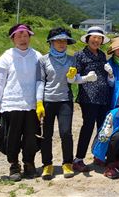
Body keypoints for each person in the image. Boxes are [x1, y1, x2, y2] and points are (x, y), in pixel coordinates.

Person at [0, 24, 42, 181]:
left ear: (30, 37)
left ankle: (29, 163)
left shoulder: (37, 56)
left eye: (25, 35)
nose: (22, 39)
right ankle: (14, 165)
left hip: (31, 104)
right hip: (11, 102)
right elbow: (0, 82)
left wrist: (40, 101)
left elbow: (40, 81)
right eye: (18, 36)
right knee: (11, 137)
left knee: (31, 136)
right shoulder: (6, 56)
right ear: (13, 39)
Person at [36, 27, 78, 179]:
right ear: (51, 42)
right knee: (46, 134)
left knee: (65, 132)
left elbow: (73, 80)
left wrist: (73, 77)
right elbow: (40, 81)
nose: (61, 43)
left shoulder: (72, 59)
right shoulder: (43, 60)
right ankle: (47, 165)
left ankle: (68, 163)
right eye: (58, 40)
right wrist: (39, 102)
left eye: (64, 40)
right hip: (48, 101)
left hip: (65, 100)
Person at [73, 26, 111, 172]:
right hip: (88, 97)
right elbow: (74, 77)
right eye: (94, 38)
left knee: (102, 127)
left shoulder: (102, 55)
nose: (96, 40)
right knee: (88, 127)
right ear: (88, 39)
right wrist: (85, 78)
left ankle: (98, 155)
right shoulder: (80, 55)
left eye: (99, 38)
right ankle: (79, 159)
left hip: (103, 96)